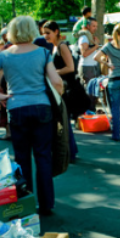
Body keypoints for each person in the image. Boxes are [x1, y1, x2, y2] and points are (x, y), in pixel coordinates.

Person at [0, 16, 63, 216]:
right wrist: (59, 96)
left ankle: (26, 201)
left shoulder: (5, 55)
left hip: (16, 108)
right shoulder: (43, 52)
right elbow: (56, 81)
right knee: (43, 157)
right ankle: (47, 204)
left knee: (22, 158)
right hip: (42, 107)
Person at [43, 20, 80, 162]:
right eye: (44, 33)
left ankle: (70, 153)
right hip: (62, 88)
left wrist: (52, 73)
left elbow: (70, 67)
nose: (45, 36)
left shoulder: (62, 46)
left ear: (56, 32)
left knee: (64, 122)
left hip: (67, 88)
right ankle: (71, 151)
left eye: (48, 33)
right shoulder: (54, 47)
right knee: (63, 122)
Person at [96, 23, 120, 142]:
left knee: (115, 109)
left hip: (113, 80)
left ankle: (116, 135)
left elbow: (96, 57)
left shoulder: (108, 46)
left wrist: (107, 64)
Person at [77, 17, 101, 109]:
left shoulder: (91, 37)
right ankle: (88, 115)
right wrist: (96, 46)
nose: (95, 28)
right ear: (88, 26)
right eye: (93, 26)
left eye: (96, 26)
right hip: (87, 68)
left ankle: (92, 113)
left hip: (93, 67)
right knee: (89, 94)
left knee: (93, 94)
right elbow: (84, 53)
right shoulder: (84, 38)